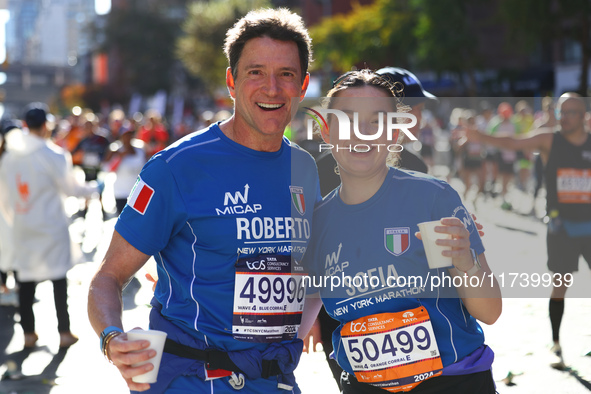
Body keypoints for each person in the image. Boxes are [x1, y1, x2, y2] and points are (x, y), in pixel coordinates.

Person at [87, 8, 320, 393]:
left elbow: (310, 267)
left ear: (303, 84)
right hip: (193, 380)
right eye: (255, 72)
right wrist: (113, 339)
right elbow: (107, 278)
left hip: (275, 379)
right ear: (231, 81)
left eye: (286, 74)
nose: (272, 88)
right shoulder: (176, 168)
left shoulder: (306, 168)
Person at [299, 70, 501, 393]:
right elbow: (304, 300)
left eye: (376, 123)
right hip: (366, 386)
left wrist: (467, 265)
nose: (361, 134)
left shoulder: (432, 197)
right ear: (326, 130)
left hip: (452, 381)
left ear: (395, 133)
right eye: (348, 120)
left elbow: (490, 311)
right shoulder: (317, 222)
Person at [310, 67, 439, 390]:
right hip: (341, 313)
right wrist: (310, 312)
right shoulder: (322, 167)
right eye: (415, 109)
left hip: (407, 313)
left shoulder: (420, 173)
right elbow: (310, 242)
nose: (419, 119)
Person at [467, 92, 591, 370]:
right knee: (560, 286)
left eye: (572, 112)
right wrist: (481, 138)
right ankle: (556, 344)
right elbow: (513, 142)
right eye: (562, 112)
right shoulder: (550, 138)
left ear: (584, 115)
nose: (566, 117)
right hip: (561, 227)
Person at [0, 103, 100, 348]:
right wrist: (95, 189)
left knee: (25, 282)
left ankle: (28, 334)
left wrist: (13, 221)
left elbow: (4, 197)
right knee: (58, 281)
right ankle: (64, 332)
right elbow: (72, 189)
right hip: (51, 225)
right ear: (46, 125)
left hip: (22, 225)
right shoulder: (53, 155)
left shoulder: (10, 156)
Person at [103, 122, 146, 216]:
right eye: (125, 135)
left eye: (129, 135)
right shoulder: (115, 149)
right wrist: (119, 157)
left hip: (138, 192)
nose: (127, 138)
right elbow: (107, 169)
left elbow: (146, 167)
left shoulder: (140, 148)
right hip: (121, 192)